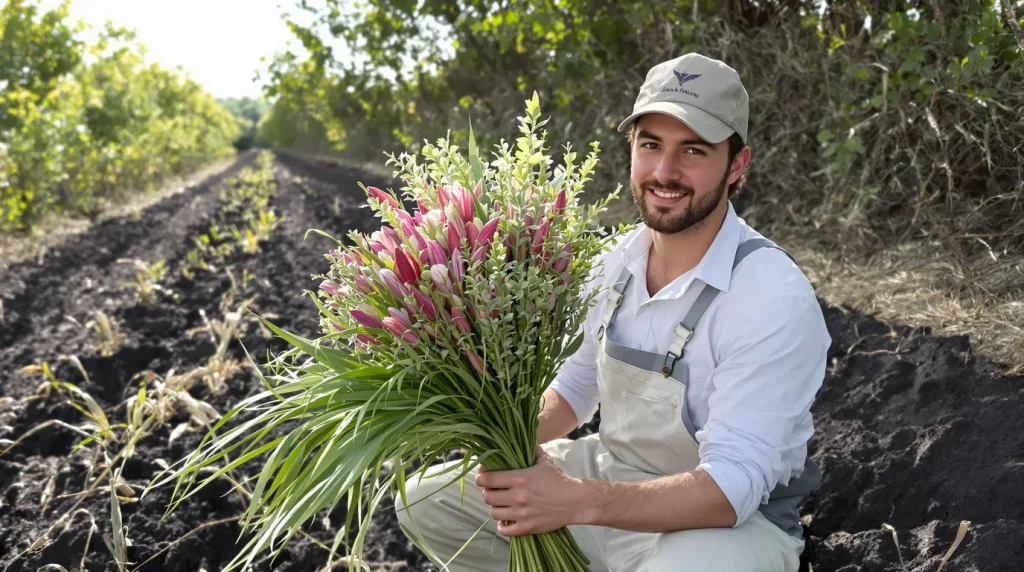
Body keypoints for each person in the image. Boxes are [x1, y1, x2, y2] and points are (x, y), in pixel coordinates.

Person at [394, 52, 831, 572]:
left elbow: (730, 489)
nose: (665, 172)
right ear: (631, 147)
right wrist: (501, 433)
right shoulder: (613, 260)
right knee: (423, 503)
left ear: (736, 165)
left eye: (693, 150)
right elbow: (577, 390)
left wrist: (576, 501)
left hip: (723, 527)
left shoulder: (770, 295)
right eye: (651, 145)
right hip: (610, 476)